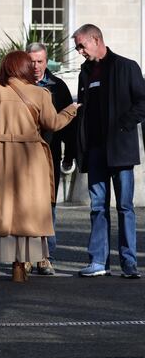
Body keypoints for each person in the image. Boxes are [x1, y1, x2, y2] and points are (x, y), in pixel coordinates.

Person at [0, 51, 79, 283]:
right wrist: (71, 110)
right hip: (30, 158)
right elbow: (52, 123)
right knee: (24, 212)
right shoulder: (40, 93)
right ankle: (19, 267)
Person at [72, 24, 145, 278]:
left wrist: (124, 125)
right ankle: (98, 262)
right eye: (77, 47)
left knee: (124, 207)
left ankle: (128, 263)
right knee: (97, 207)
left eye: (82, 45)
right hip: (95, 151)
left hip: (120, 150)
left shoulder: (126, 67)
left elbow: (142, 101)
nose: (79, 51)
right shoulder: (85, 72)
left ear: (96, 39)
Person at [27, 42, 76, 275]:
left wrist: (71, 154)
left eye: (40, 62)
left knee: (48, 205)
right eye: (32, 62)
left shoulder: (57, 86)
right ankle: (25, 255)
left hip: (49, 155)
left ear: (47, 62)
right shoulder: (16, 86)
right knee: (24, 205)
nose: (36, 66)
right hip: (22, 157)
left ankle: (45, 255)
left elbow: (68, 124)